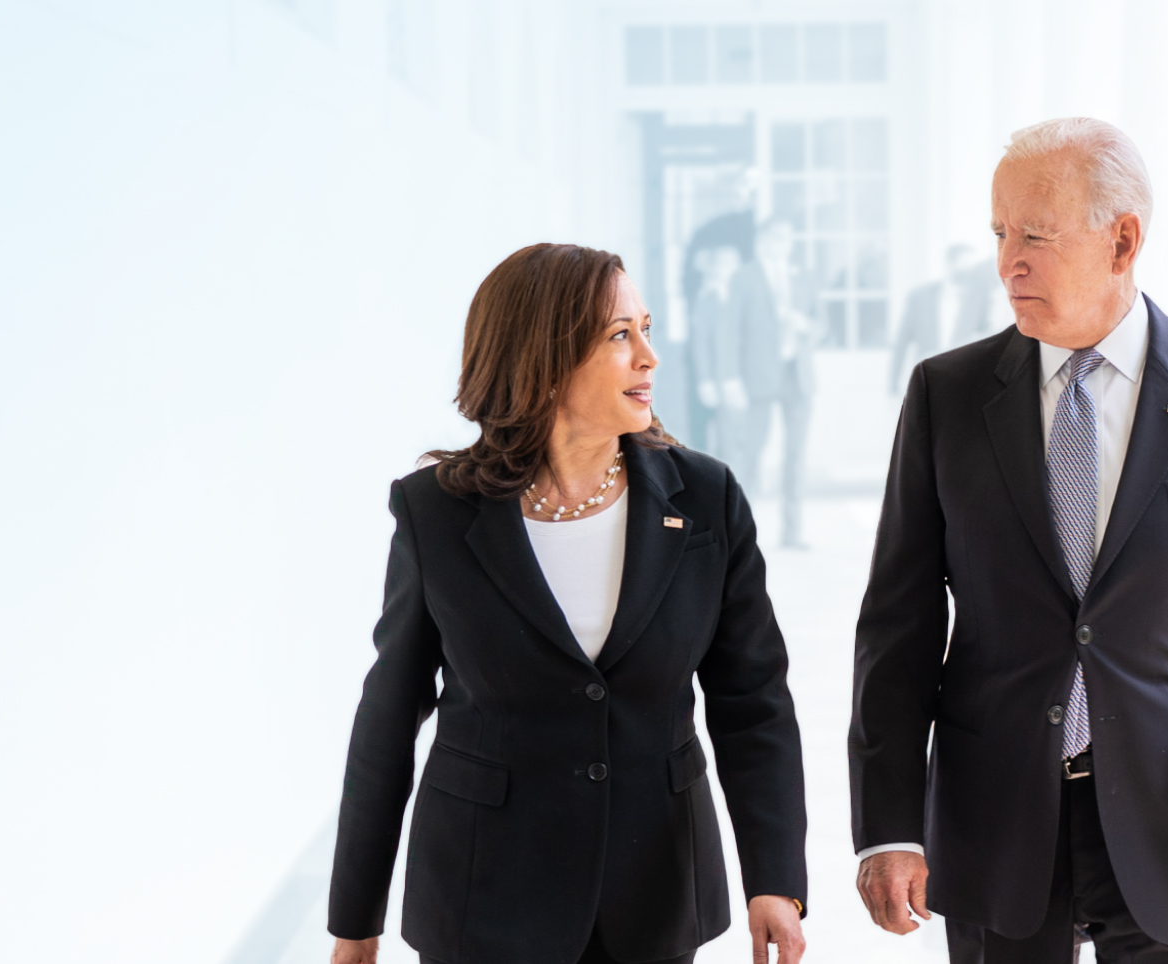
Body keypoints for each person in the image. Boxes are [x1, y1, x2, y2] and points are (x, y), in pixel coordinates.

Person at [849, 118, 1168, 963]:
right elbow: (897, 629)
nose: (1007, 264)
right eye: (1000, 234)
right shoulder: (945, 397)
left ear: (1123, 240)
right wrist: (886, 827)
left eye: (1034, 235)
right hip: (997, 818)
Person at [327, 243, 809, 964]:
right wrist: (354, 925)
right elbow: (389, 716)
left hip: (655, 897)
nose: (650, 356)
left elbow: (754, 702)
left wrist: (774, 881)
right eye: (621, 335)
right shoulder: (436, 513)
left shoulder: (706, 499)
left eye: (646, 328)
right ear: (542, 354)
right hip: (483, 898)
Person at [713, 220, 815, 548]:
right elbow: (729, 331)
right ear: (762, 241)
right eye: (774, 238)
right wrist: (729, 378)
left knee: (795, 457)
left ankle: (792, 533)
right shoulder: (744, 277)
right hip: (757, 378)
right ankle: (743, 536)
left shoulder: (803, 276)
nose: (781, 244)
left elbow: (823, 323)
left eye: (786, 238)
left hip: (798, 378)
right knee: (752, 453)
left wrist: (805, 325)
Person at [889, 242, 1001, 391]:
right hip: (927, 379)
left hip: (963, 382)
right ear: (950, 264)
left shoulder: (979, 300)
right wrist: (892, 387)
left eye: (971, 268)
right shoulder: (920, 298)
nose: (968, 272)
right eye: (963, 266)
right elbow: (901, 344)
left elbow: (987, 341)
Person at [689, 243, 744, 454]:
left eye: (733, 264)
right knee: (728, 435)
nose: (729, 269)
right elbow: (701, 343)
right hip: (726, 377)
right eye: (724, 264)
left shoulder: (744, 294)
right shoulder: (707, 298)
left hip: (754, 376)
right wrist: (706, 380)